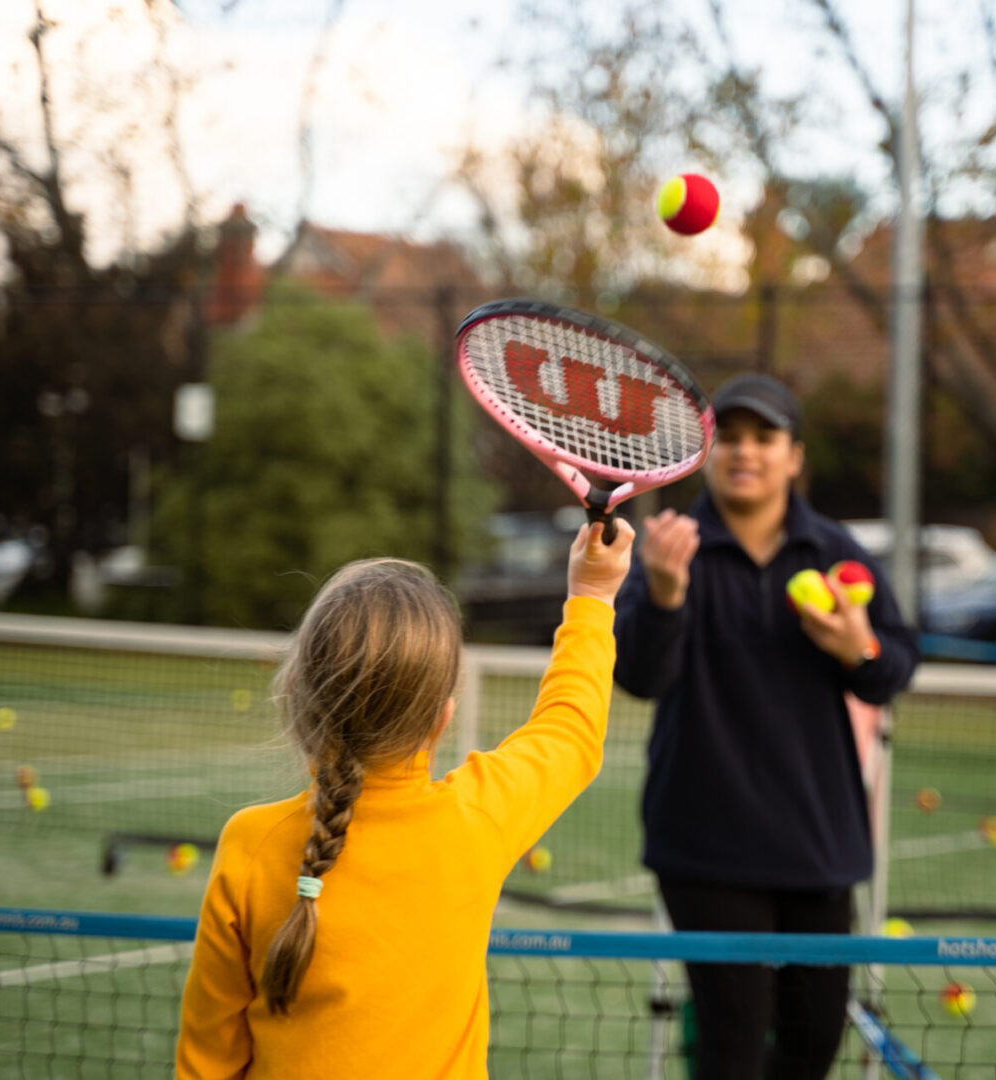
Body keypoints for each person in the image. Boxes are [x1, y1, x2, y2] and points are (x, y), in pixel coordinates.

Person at [176, 524, 634, 1078]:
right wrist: (592, 597)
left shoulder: (249, 845)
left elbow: (207, 1062)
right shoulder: (477, 821)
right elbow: (570, 730)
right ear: (443, 717)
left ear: (295, 691)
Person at [613, 374, 918, 1080]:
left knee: (813, 1044)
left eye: (764, 437)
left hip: (819, 844)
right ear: (706, 452)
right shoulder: (669, 549)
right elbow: (638, 678)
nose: (745, 452)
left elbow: (897, 662)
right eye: (729, 437)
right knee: (732, 1050)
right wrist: (663, 599)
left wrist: (858, 650)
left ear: (794, 457)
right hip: (704, 850)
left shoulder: (835, 552)